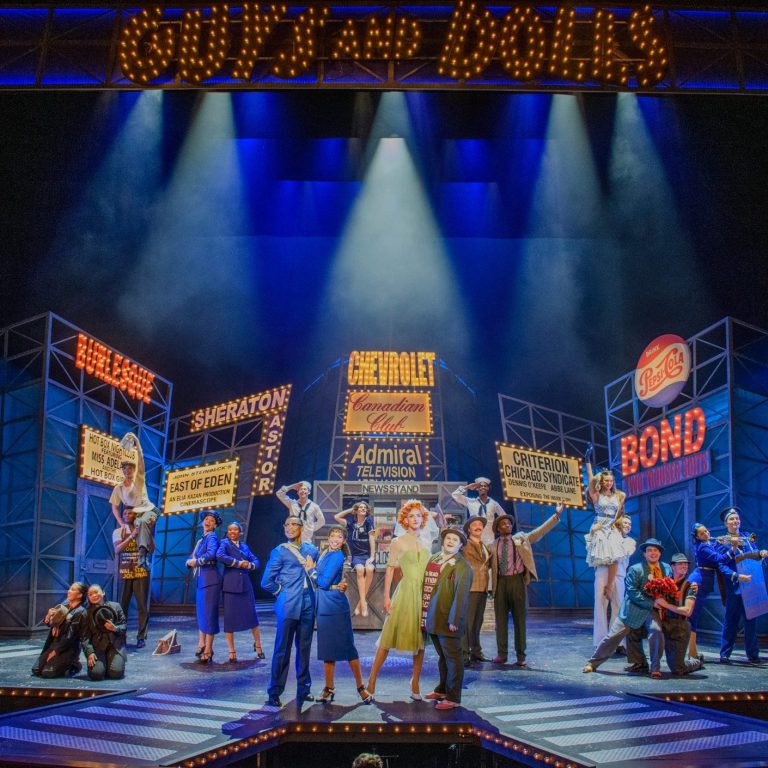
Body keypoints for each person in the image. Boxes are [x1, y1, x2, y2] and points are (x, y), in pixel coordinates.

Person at [366, 499, 431, 700]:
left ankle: (415, 682)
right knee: (387, 638)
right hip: (404, 592)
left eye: (418, 515)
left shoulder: (427, 542)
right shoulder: (397, 542)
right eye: (411, 516)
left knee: (420, 640)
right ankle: (372, 679)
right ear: (405, 520)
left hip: (423, 593)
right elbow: (390, 570)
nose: (415, 519)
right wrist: (386, 596)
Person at [582, 538, 672, 679]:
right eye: (649, 550)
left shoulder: (666, 568)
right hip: (633, 609)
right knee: (613, 636)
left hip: (652, 611)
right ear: (644, 554)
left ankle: (655, 668)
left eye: (655, 550)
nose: (652, 553)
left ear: (660, 553)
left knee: (656, 631)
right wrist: (653, 603)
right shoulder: (635, 569)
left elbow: (670, 586)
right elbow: (632, 592)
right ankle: (593, 663)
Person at [490, 505, 564, 666]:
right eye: (503, 524)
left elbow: (539, 532)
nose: (507, 525)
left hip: (517, 581)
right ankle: (502, 654)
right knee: (500, 621)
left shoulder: (521, 538)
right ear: (498, 528)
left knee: (519, 620)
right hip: (500, 583)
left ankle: (521, 656)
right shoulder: (493, 545)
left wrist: (555, 516)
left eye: (509, 523)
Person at [261, 515, 319, 707]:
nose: (289, 527)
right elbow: (266, 581)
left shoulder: (312, 550)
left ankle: (304, 689)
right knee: (282, 649)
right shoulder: (280, 551)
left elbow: (317, 574)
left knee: (304, 648)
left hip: (308, 603)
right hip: (288, 604)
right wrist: (281, 592)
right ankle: (274, 692)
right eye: (286, 524)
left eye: (293, 524)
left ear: (301, 527)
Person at [312, 525, 373, 704]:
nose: (335, 539)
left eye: (339, 537)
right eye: (333, 535)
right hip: (324, 603)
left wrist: (310, 570)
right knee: (327, 649)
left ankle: (361, 688)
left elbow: (323, 582)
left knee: (347, 647)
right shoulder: (325, 553)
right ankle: (329, 687)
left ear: (344, 541)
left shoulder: (338, 555)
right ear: (328, 537)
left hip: (334, 604)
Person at [422, 528, 473, 710]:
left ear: (460, 546)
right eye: (448, 538)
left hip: (449, 620)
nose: (450, 541)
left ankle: (453, 698)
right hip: (433, 616)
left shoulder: (463, 566)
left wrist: (455, 620)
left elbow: (461, 596)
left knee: (453, 659)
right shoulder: (435, 559)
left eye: (455, 540)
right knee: (443, 657)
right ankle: (442, 690)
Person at [687, 521, 750, 661]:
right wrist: (733, 548)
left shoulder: (708, 543)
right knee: (693, 616)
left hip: (705, 579)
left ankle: (692, 650)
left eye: (706, 530)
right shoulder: (702, 547)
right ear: (697, 537)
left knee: (694, 616)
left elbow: (716, 552)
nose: (706, 533)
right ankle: (691, 651)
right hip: (700, 579)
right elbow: (719, 559)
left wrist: (721, 542)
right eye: (702, 533)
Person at [715, 506, 768, 665]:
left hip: (751, 584)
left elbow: (755, 553)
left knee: (751, 620)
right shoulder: (721, 541)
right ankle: (725, 654)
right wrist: (736, 576)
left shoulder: (748, 537)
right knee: (731, 621)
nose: (735, 521)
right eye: (732, 519)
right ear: (726, 523)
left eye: (737, 518)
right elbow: (721, 564)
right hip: (735, 587)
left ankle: (753, 654)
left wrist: (762, 553)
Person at [216, 522, 265, 662]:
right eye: (230, 530)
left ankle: (258, 645)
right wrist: (238, 563)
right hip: (230, 585)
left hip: (245, 585)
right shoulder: (224, 543)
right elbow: (220, 556)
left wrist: (250, 564)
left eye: (235, 530)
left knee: (252, 617)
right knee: (230, 619)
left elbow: (255, 560)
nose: (232, 532)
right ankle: (232, 651)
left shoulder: (244, 546)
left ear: (240, 532)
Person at [649, 552, 703, 676]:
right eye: (680, 564)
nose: (684, 566)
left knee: (678, 669)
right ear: (672, 566)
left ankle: (696, 661)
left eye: (685, 564)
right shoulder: (664, 581)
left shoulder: (690, 585)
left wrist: (665, 604)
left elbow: (687, 611)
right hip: (664, 623)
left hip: (679, 627)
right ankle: (642, 664)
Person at [110, 432, 158, 569]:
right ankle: (140, 558)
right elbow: (114, 507)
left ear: (134, 469)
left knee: (142, 523)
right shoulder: (119, 488)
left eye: (130, 468)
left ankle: (142, 556)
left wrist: (137, 442)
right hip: (135, 516)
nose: (127, 470)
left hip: (148, 510)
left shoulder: (139, 480)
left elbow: (141, 462)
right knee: (138, 525)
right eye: (125, 468)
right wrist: (122, 523)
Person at [584, 460, 626, 612]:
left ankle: (609, 587)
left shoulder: (619, 496)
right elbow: (590, 481)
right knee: (602, 559)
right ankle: (605, 587)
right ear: (602, 481)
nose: (609, 483)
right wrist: (588, 463)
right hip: (600, 525)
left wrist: (618, 524)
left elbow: (621, 512)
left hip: (612, 525)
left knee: (615, 557)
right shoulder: (596, 495)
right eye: (606, 480)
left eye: (611, 481)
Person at [591, 514, 636, 652]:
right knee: (600, 606)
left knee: (618, 607)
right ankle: (600, 642)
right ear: (618, 523)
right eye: (625, 523)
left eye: (630, 524)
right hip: (602, 573)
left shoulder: (630, 542)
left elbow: (615, 560)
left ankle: (617, 643)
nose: (628, 525)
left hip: (619, 576)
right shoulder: (606, 536)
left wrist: (610, 586)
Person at [113, 507, 152, 649]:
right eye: (124, 513)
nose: (127, 515)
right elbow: (117, 550)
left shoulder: (143, 530)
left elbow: (152, 549)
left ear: (136, 515)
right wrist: (132, 536)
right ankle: (121, 636)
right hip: (125, 572)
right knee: (122, 606)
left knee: (142, 606)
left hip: (141, 571)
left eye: (130, 513)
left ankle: (141, 637)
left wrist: (148, 533)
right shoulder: (118, 532)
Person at [186, 510, 222, 664]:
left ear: (215, 525)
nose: (208, 522)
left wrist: (197, 562)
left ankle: (208, 649)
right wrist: (190, 561)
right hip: (202, 579)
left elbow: (212, 554)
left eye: (212, 520)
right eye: (206, 519)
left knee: (209, 615)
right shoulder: (202, 539)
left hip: (210, 579)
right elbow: (194, 555)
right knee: (202, 613)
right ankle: (201, 643)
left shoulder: (212, 537)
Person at [31, 582, 87, 678]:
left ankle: (74, 664)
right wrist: (48, 616)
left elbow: (69, 637)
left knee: (47, 673)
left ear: (80, 595)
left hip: (67, 647)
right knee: (36, 670)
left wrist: (55, 652)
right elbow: (51, 623)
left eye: (73, 590)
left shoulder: (80, 612)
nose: (69, 591)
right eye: (70, 589)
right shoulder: (64, 606)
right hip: (54, 643)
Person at [335, 500, 376, 617]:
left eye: (365, 508)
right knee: (360, 569)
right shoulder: (351, 524)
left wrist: (372, 557)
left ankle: (360, 604)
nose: (363, 509)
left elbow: (372, 539)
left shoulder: (369, 522)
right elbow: (336, 517)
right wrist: (352, 509)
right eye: (360, 507)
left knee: (369, 569)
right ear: (356, 510)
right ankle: (363, 603)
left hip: (367, 555)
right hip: (357, 556)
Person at [461, 515, 491, 666]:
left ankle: (476, 652)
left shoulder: (484, 545)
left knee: (478, 622)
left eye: (480, 524)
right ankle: (464, 655)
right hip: (471, 587)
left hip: (483, 587)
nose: (478, 527)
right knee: (468, 623)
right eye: (474, 525)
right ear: (469, 529)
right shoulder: (465, 545)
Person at [82, 584, 127, 681]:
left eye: (96, 592)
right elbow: (85, 636)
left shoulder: (116, 606)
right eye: (90, 594)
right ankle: (102, 665)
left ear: (103, 593)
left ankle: (110, 663)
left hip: (115, 645)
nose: (94, 595)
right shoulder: (86, 613)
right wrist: (90, 652)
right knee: (96, 674)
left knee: (116, 673)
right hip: (97, 646)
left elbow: (124, 626)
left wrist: (115, 628)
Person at [451, 477, 504, 545]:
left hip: (489, 540)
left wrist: (497, 528)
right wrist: (467, 487)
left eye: (485, 486)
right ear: (477, 488)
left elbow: (503, 516)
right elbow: (455, 495)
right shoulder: (471, 502)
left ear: (488, 488)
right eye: (480, 486)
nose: (483, 487)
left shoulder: (493, 503)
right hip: (474, 538)